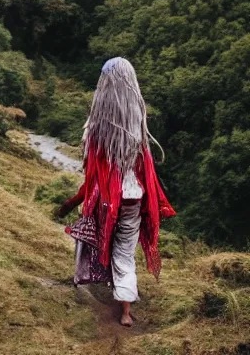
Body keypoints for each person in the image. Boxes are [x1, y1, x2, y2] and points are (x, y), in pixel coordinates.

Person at [56, 57, 176, 327]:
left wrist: (70, 203)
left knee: (93, 235)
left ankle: (88, 278)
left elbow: (92, 179)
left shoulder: (97, 131)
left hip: (106, 201)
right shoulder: (137, 129)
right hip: (134, 199)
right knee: (124, 250)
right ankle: (125, 310)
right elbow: (146, 172)